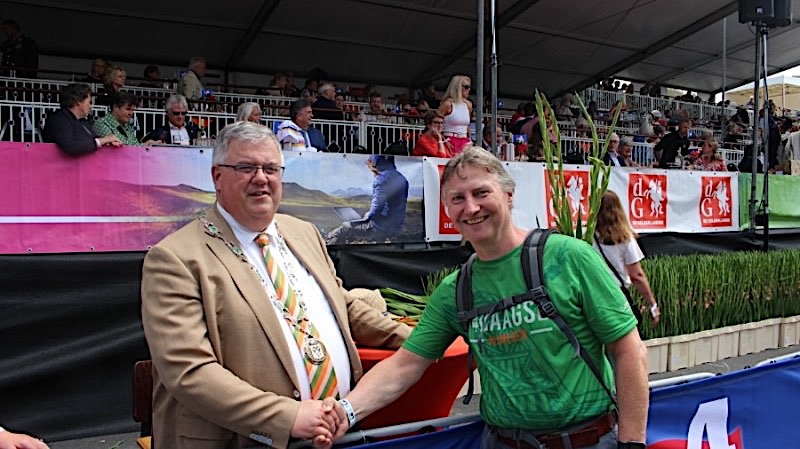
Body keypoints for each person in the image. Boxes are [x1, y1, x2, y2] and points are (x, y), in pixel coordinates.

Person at [330, 146, 649, 449]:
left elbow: (628, 348)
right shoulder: (456, 291)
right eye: (457, 198)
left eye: (481, 193)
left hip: (587, 440)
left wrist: (632, 442)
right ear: (448, 210)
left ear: (509, 195)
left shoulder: (568, 257)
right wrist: (346, 411)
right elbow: (405, 365)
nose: (471, 208)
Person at [140, 121, 409, 449]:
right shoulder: (175, 258)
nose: (261, 178)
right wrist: (288, 417)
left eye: (270, 168)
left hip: (337, 430)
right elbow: (189, 371)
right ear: (217, 177)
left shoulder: (303, 232)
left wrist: (416, 340)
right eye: (245, 167)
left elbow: (342, 305)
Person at [594, 191, 660, 325]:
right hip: (617, 297)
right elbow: (637, 275)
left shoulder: (587, 236)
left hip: (594, 298)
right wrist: (652, 304)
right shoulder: (625, 238)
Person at [326, 155, 409, 245]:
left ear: (376, 163)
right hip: (397, 228)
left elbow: (377, 209)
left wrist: (368, 216)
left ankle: (328, 249)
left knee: (344, 228)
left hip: (380, 228)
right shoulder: (402, 179)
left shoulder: (381, 180)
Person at [42, 83, 122, 155]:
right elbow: (70, 146)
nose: (91, 106)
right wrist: (102, 141)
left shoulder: (83, 122)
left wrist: (107, 142)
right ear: (79, 101)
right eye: (89, 102)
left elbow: (92, 140)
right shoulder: (59, 120)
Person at [438, 75, 473, 154]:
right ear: (458, 87)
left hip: (465, 141)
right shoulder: (447, 104)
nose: (469, 89)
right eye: (466, 87)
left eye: (469, 87)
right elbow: (436, 124)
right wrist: (443, 140)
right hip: (449, 139)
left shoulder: (468, 105)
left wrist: (469, 139)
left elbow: (467, 126)